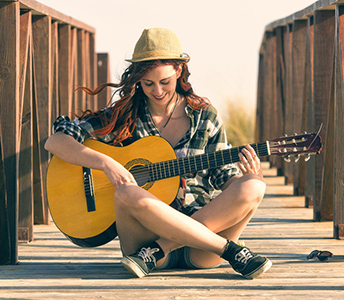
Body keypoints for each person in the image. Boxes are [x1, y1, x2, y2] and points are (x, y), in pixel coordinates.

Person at [44, 28, 272, 279]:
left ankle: (161, 248)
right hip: (144, 237)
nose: (158, 91)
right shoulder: (124, 116)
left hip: (196, 247)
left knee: (255, 185)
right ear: (137, 80)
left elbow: (224, 177)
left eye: (165, 82)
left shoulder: (204, 115)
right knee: (127, 192)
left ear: (178, 70)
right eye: (148, 84)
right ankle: (230, 251)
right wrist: (106, 163)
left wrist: (245, 176)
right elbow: (56, 141)